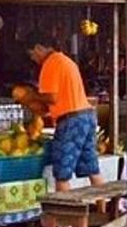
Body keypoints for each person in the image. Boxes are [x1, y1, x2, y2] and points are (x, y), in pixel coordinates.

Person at [27, 41, 103, 192]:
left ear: (39, 47)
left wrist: (31, 96)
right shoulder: (66, 61)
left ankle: (67, 214)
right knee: (92, 168)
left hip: (71, 121)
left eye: (32, 54)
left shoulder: (50, 63)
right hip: (86, 116)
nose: (33, 59)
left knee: (62, 173)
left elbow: (51, 97)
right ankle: (106, 208)